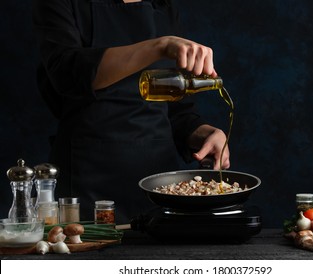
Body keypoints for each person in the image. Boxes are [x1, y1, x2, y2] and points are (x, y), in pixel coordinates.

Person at [32, 0, 230, 223]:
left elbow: (176, 110)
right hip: (88, 182)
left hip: (160, 186)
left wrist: (205, 134)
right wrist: (158, 46)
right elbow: (68, 72)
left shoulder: (162, 6)